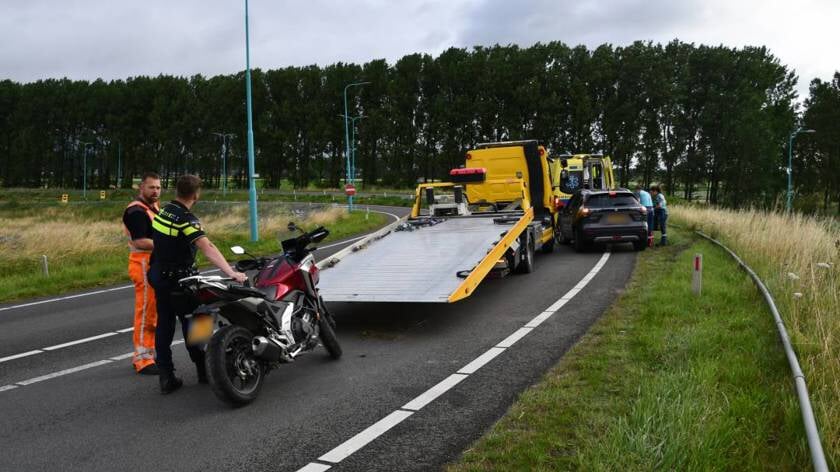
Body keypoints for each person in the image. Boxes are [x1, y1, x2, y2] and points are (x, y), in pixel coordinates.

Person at [149, 175, 247, 394]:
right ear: (196, 194)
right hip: (179, 281)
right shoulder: (186, 218)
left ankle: (166, 376)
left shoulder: (164, 211)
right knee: (200, 320)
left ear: (176, 191)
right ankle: (205, 370)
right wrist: (231, 272)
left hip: (160, 277)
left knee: (164, 326)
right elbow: (207, 246)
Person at [122, 172, 162, 375]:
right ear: (141, 188)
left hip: (153, 262)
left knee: (156, 311)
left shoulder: (153, 208)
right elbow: (140, 241)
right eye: (151, 187)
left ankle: (151, 353)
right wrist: (168, 245)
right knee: (146, 311)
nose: (155, 191)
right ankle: (142, 359)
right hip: (143, 263)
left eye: (158, 187)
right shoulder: (136, 211)